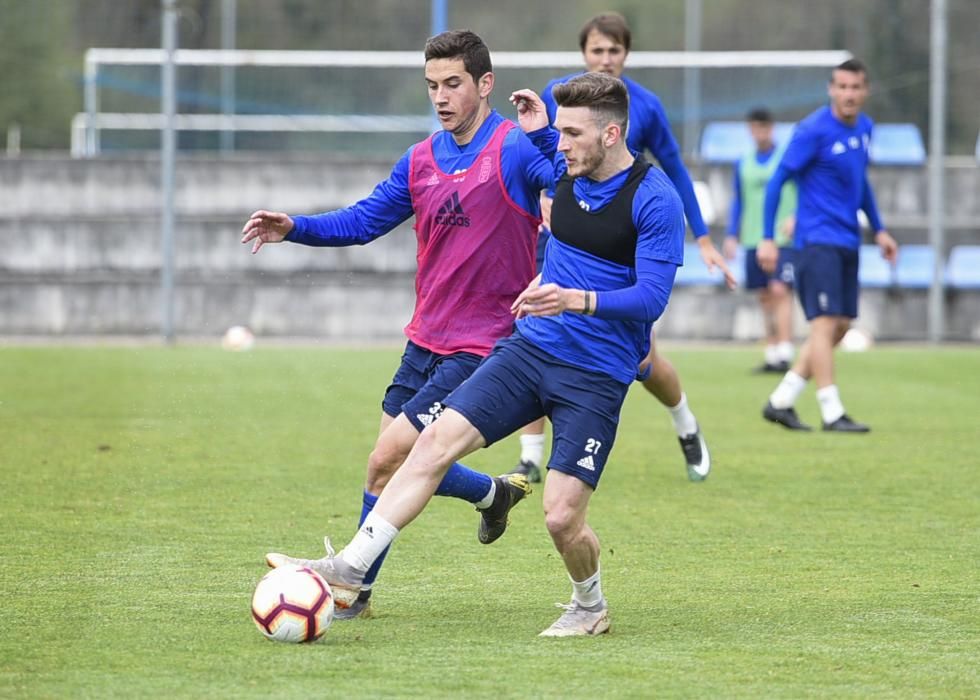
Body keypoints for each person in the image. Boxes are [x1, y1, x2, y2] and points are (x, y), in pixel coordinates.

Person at [269, 72, 685, 637]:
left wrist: (575, 298)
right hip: (529, 351)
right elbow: (542, 147)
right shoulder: (563, 165)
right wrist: (544, 116)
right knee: (432, 443)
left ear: (611, 134)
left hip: (596, 374)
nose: (561, 146)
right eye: (558, 133)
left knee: (562, 518)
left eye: (573, 134)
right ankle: (350, 569)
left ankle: (589, 604)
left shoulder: (654, 198)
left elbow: (652, 300)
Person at [244, 30, 555, 618]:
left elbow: (572, 185)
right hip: (424, 339)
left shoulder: (513, 150)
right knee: (390, 463)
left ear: (484, 85)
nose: (441, 96)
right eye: (432, 85)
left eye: (453, 84)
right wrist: (296, 227)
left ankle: (352, 590)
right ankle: (492, 493)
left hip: (483, 346)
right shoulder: (420, 159)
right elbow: (363, 220)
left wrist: (544, 131)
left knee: (395, 454)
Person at [511, 11, 730, 485]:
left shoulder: (644, 107)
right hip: (563, 238)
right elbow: (536, 158)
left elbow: (674, 172)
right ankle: (529, 455)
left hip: (618, 252)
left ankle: (685, 423)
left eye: (614, 51)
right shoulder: (558, 94)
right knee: (536, 330)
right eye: (597, 50)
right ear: (584, 54)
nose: (605, 59)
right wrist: (543, 198)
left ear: (626, 55)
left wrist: (705, 240)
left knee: (645, 361)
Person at [760, 59, 897, 433]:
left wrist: (880, 230)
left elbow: (860, 183)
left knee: (839, 327)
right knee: (822, 325)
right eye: (842, 87)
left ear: (865, 91)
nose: (849, 94)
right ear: (831, 90)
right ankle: (831, 411)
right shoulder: (813, 130)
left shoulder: (865, 128)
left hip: (848, 240)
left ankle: (781, 401)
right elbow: (777, 181)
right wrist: (769, 237)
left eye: (856, 87)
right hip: (815, 240)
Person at [723, 107, 799, 374]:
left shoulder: (786, 159)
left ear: (772, 128)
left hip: (782, 238)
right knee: (765, 295)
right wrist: (732, 234)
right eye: (755, 128)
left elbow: (804, 191)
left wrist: (796, 216)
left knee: (781, 290)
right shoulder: (743, 163)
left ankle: (786, 351)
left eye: (764, 127)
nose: (760, 133)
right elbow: (739, 201)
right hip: (753, 238)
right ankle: (772, 350)